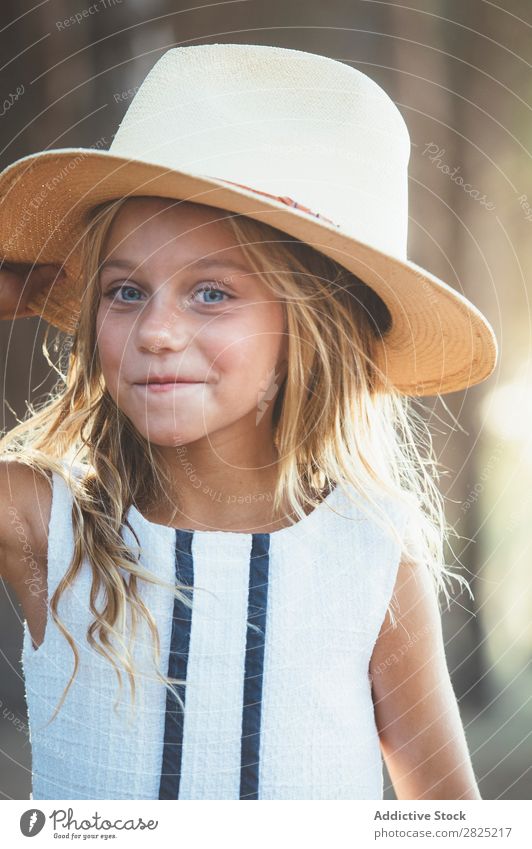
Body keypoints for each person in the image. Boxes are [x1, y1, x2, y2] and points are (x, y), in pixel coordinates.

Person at [0, 43, 497, 801]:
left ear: (313, 327)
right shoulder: (43, 524)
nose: (157, 330)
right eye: (125, 292)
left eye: (210, 294)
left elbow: (452, 817)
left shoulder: (372, 553)